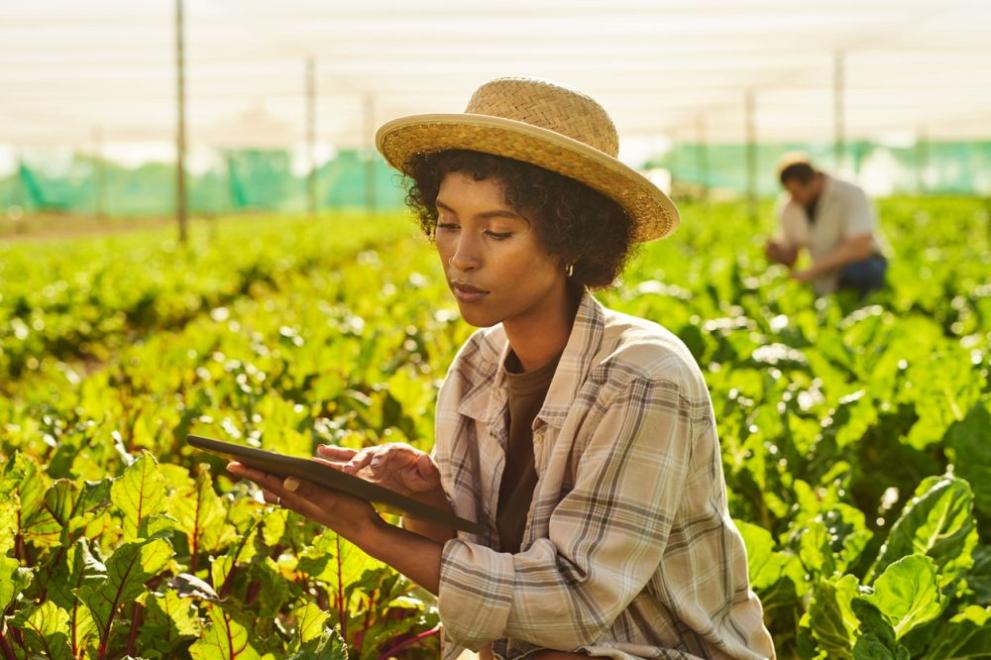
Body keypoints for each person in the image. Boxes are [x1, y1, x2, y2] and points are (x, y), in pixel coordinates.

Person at [228, 77, 775, 660]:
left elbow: (576, 603)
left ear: (573, 243)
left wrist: (368, 531)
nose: (461, 256)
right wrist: (426, 496)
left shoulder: (641, 376)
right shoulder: (477, 365)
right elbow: (477, 569)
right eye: (446, 223)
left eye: (497, 231)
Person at [764, 154, 888, 297]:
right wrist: (778, 254)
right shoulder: (789, 206)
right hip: (823, 273)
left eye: (797, 192)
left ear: (813, 181)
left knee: (859, 272)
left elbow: (859, 247)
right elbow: (792, 255)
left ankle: (865, 301)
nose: (793, 198)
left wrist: (812, 271)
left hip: (863, 263)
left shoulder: (850, 193)